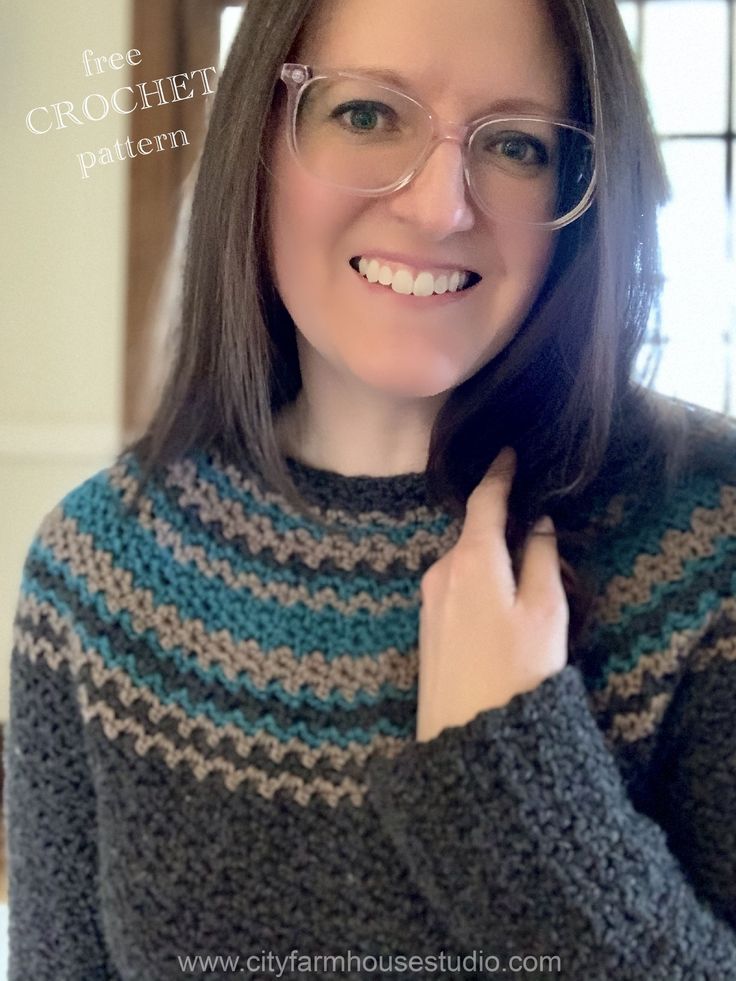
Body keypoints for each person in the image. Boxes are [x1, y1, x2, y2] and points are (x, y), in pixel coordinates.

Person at [5, 0, 736, 977]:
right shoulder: (95, 573)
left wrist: (510, 784)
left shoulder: (708, 543)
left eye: (515, 143)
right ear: (258, 139)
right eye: (364, 115)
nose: (440, 205)